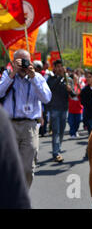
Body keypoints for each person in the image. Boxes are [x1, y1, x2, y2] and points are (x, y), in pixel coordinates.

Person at [0, 49, 52, 187]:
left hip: (30, 126)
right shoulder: (7, 75)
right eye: (20, 61)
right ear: (13, 62)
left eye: (26, 61)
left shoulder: (38, 77)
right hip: (9, 126)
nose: (23, 65)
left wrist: (34, 77)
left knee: (27, 168)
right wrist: (12, 74)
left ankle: (21, 195)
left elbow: (46, 98)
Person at [0, 105, 31, 208]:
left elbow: (46, 98)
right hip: (11, 121)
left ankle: (25, 189)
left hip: (29, 124)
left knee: (28, 169)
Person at [46, 59, 75, 163]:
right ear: (54, 68)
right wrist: (60, 78)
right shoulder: (51, 79)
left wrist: (70, 90)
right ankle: (56, 152)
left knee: (62, 131)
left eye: (61, 66)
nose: (59, 68)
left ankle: (58, 148)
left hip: (64, 108)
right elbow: (50, 88)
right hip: (54, 108)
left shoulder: (69, 80)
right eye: (57, 66)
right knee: (56, 131)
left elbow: (73, 95)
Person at [80, 70, 92, 136]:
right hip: (89, 115)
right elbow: (83, 102)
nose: (88, 79)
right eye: (87, 77)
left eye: (90, 77)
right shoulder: (84, 90)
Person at [68, 71, 83, 138]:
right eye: (75, 78)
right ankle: (72, 133)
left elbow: (82, 94)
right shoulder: (70, 87)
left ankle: (76, 130)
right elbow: (70, 95)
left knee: (78, 121)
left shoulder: (79, 86)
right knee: (71, 122)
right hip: (71, 108)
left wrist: (79, 88)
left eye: (77, 78)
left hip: (78, 107)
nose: (76, 79)